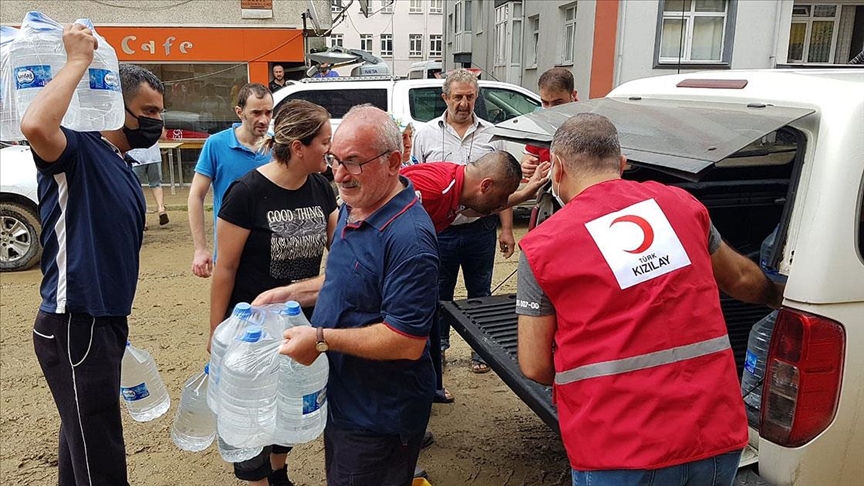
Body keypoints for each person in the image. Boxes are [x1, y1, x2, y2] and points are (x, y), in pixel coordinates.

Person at [516, 113, 785, 486]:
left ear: (556, 169)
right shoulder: (681, 206)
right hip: (712, 432)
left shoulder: (543, 246)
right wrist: (780, 296)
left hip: (618, 449)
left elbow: (534, 365)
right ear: (622, 164)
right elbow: (740, 278)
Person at [21, 23, 165, 485]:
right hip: (74, 322)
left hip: (103, 322)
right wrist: (79, 61)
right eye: (147, 111)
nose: (155, 122)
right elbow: (36, 124)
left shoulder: (121, 163)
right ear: (114, 106)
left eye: (158, 112)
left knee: (80, 438)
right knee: (100, 449)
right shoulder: (78, 149)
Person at [273, 105, 439, 485]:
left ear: (394, 161)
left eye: (353, 162)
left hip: (380, 415)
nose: (340, 174)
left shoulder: (409, 239)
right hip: (349, 398)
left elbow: (406, 340)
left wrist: (319, 339)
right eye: (333, 159)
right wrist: (287, 293)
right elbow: (346, 280)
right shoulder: (357, 203)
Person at [210, 99, 337, 486]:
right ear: (298, 147)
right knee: (252, 416)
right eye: (324, 142)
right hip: (252, 331)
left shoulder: (320, 187)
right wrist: (216, 334)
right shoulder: (246, 193)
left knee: (291, 407)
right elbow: (225, 268)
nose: (329, 150)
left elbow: (339, 252)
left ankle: (278, 472)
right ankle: (258, 479)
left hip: (300, 324)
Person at [412, 68, 515, 374]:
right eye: (457, 97)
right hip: (441, 231)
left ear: (476, 97)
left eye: (470, 97)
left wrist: (506, 228)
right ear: (445, 97)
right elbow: (417, 184)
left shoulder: (493, 135)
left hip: (479, 229)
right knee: (439, 292)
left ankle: (481, 350)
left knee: (480, 290)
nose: (463, 103)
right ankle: (440, 348)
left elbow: (504, 188)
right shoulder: (426, 134)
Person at [188, 83, 273, 278]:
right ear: (239, 112)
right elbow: (196, 195)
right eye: (256, 113)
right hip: (231, 255)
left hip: (273, 253)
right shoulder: (216, 144)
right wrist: (200, 249)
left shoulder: (277, 146)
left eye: (268, 112)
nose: (264, 119)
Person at [521, 67, 578, 178]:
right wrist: (527, 165)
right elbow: (529, 155)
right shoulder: (540, 121)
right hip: (547, 188)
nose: (550, 109)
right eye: (545, 103)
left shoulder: (589, 123)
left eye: (557, 103)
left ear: (573, 95)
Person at [127, 141, 169, 230]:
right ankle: (161, 209)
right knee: (156, 184)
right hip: (154, 156)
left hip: (136, 157)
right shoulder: (155, 125)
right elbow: (163, 135)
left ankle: (143, 219)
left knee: (136, 187)